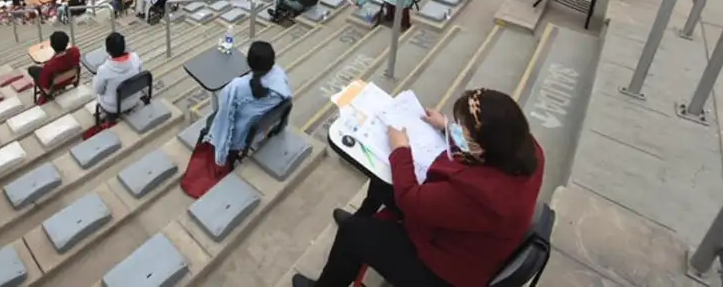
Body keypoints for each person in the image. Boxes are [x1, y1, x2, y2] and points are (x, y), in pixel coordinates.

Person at [292, 88, 544, 287]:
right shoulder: (527, 149)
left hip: (445, 271)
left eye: (465, 131)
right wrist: (447, 127)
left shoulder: (481, 195)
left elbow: (410, 199)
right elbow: (480, 151)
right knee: (382, 184)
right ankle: (365, 216)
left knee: (352, 234)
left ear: (484, 145)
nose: (460, 132)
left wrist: (401, 149)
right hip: (466, 236)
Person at [181, 41, 293, 198]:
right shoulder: (280, 77)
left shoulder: (234, 89)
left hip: (239, 140)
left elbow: (224, 125)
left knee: (212, 119)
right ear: (272, 61)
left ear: (248, 62)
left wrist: (220, 159)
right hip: (260, 129)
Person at [93, 33, 143, 115]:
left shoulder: (103, 70)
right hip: (134, 98)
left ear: (108, 51)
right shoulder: (135, 58)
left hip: (113, 107)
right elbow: (140, 73)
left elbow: (98, 90)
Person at [28, 31, 81, 99]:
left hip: (54, 85)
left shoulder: (49, 66)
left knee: (32, 69)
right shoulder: (75, 52)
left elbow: (46, 86)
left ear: (52, 45)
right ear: (67, 43)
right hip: (70, 78)